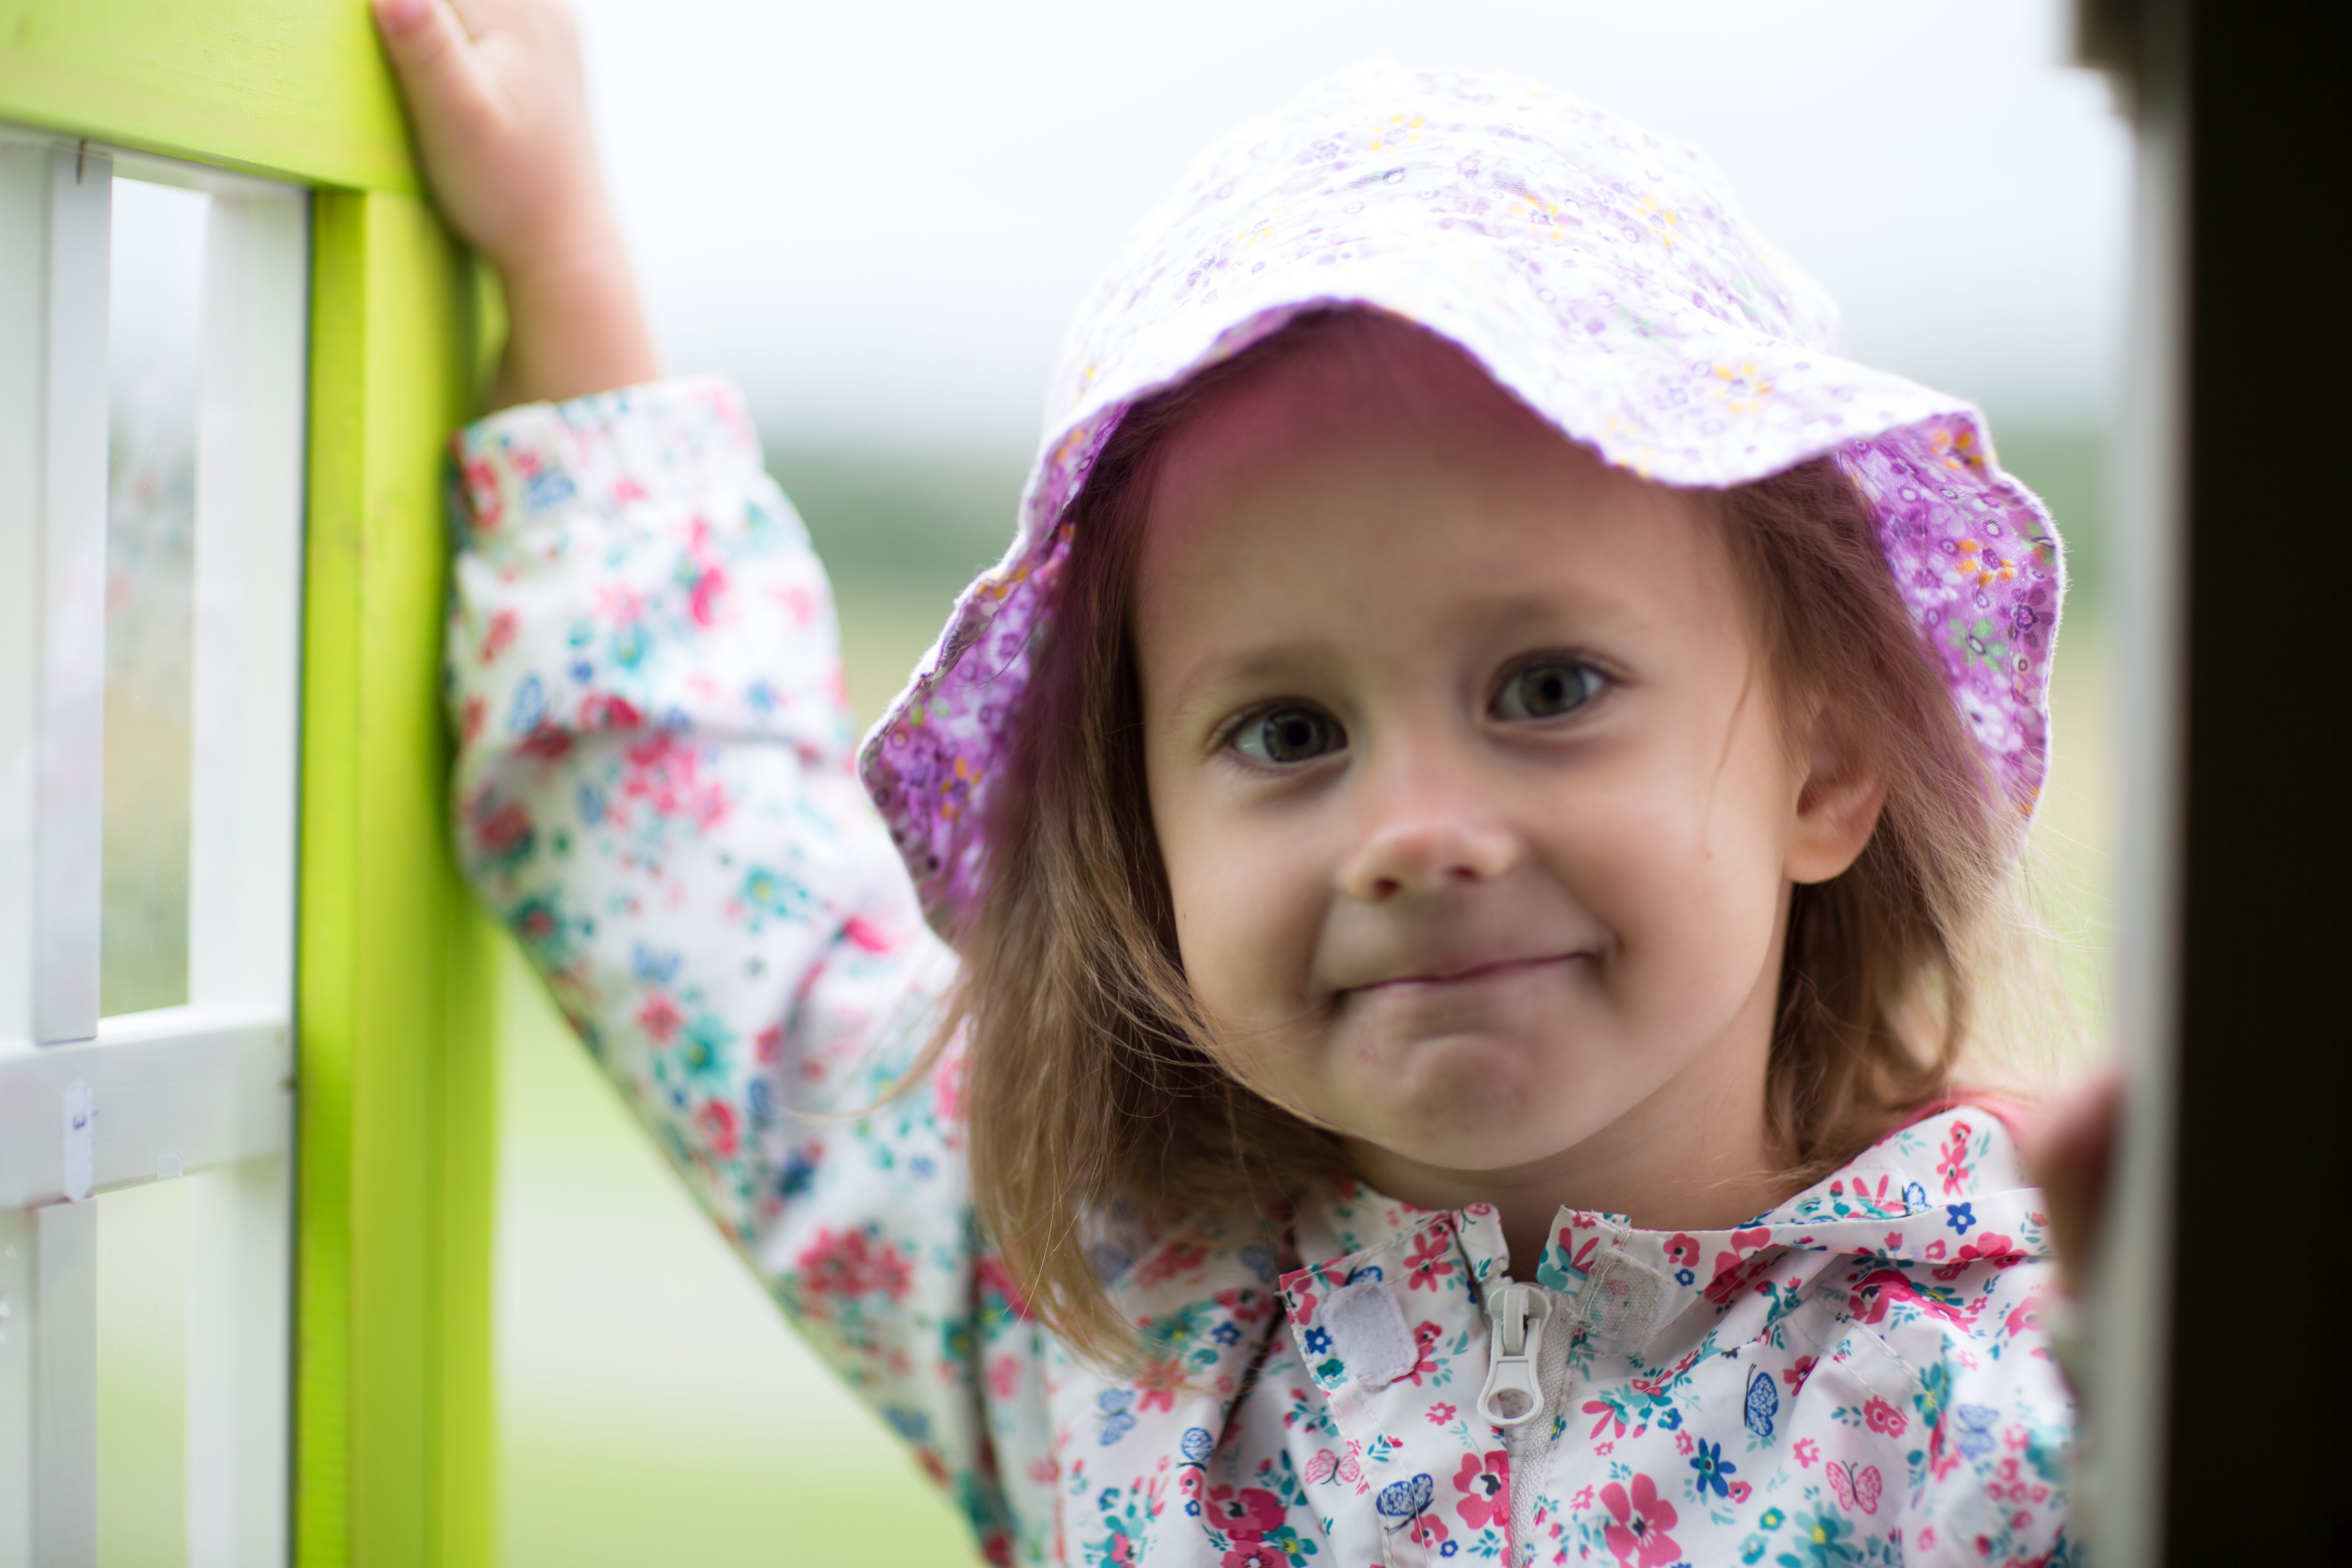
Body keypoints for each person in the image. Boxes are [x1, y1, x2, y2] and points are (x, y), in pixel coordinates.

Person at [376, 1, 2115, 1562]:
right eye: (1288, 734)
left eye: (1549, 688)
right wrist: (564, 258)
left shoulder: (2015, 1416)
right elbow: (711, 897)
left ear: (1828, 760)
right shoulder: (1106, 1309)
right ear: (1146, 841)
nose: (1419, 834)